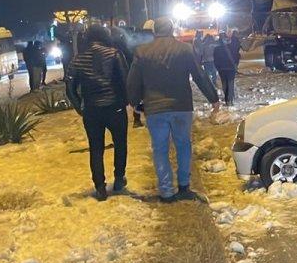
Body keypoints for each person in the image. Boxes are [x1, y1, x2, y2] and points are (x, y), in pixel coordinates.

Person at [127, 17, 219, 202]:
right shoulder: (184, 49)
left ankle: (167, 191)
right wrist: (213, 98)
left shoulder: (142, 51)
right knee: (183, 145)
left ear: (154, 31)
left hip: (155, 109)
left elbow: (133, 81)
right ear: (171, 30)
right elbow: (199, 75)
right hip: (181, 106)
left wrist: (134, 103)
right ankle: (184, 187)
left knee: (160, 149)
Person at [65, 24, 130, 201]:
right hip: (114, 107)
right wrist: (125, 102)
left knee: (96, 148)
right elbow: (125, 81)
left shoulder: (78, 60)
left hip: (91, 110)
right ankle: (118, 177)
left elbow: (69, 88)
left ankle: (100, 187)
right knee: (120, 143)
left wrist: (80, 107)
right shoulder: (114, 54)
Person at [213, 36, 237, 106]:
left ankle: (227, 99)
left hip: (221, 69)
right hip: (230, 68)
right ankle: (230, 99)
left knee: (224, 84)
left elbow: (215, 60)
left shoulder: (216, 49)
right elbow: (235, 56)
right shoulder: (230, 47)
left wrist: (217, 67)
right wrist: (235, 65)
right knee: (230, 83)